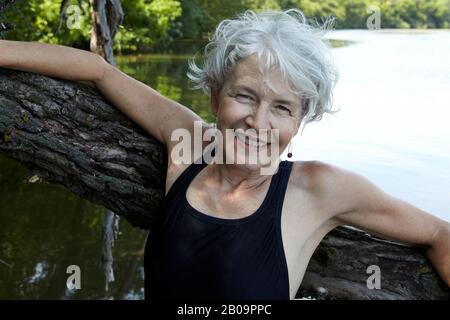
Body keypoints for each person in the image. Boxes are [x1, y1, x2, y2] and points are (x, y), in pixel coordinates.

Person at [0, 9, 448, 300]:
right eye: (245, 96)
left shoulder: (316, 189)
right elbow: (98, 71)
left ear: (300, 119)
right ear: (216, 96)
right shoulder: (187, 144)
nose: (258, 122)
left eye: (283, 108)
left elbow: (437, 233)